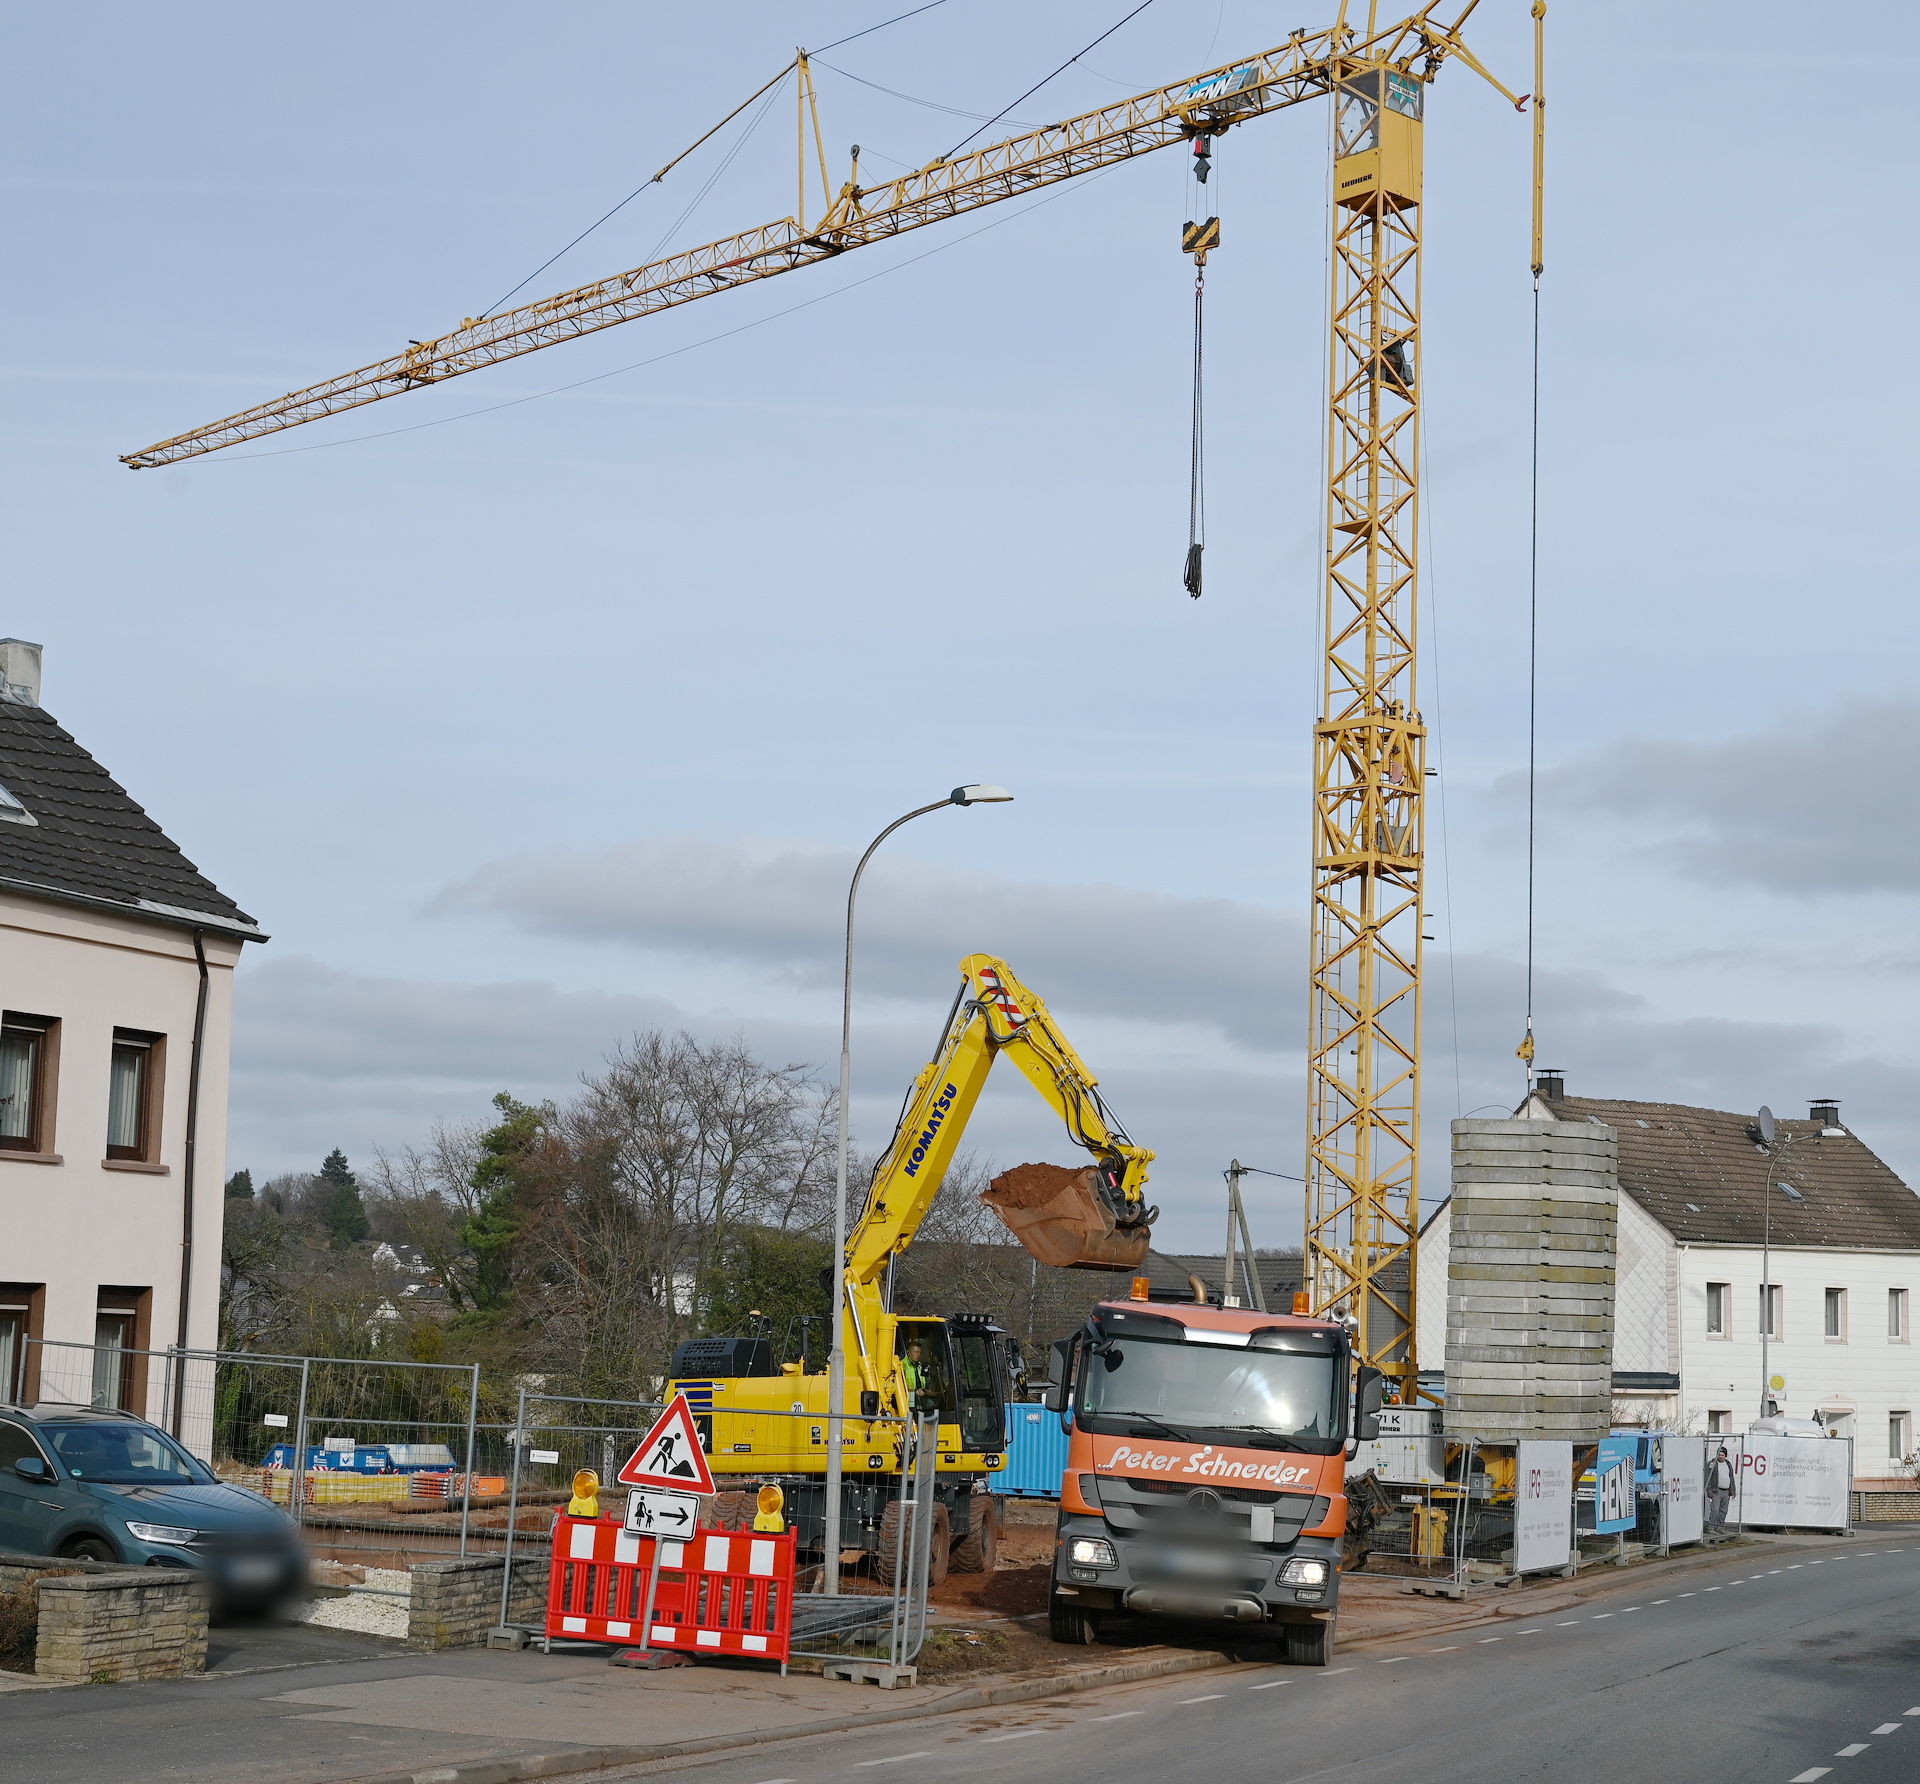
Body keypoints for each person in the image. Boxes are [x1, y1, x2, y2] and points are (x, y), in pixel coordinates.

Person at [1706, 1445, 1735, 1531]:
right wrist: (1709, 1490)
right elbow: (1708, 1478)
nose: (1720, 1456)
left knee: (1723, 1511)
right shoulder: (1712, 1464)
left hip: (1726, 1492)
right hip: (1716, 1491)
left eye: (1722, 1455)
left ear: (1725, 1456)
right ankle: (1711, 1528)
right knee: (1714, 1510)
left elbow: (1731, 1477)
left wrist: (1733, 1490)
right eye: (1719, 1454)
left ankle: (1720, 1527)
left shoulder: (1728, 1464)